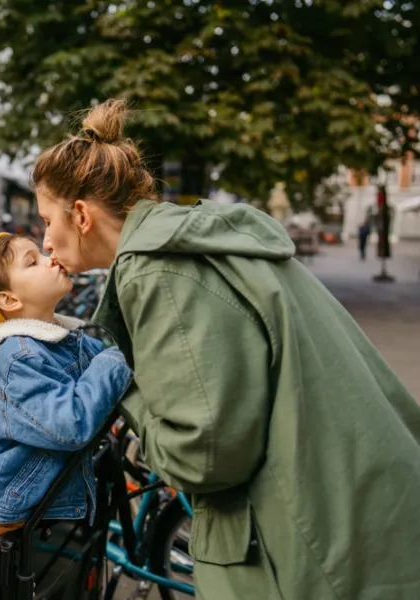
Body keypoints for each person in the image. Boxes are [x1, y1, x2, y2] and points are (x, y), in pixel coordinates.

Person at [32, 99, 420, 598]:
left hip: (314, 549)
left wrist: (122, 390)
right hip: (362, 511)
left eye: (46, 220)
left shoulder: (156, 273)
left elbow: (205, 455)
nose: (44, 240)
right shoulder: (197, 241)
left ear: (81, 215)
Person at [0, 233, 131, 538]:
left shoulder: (65, 339)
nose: (52, 258)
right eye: (33, 262)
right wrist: (119, 355)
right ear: (9, 300)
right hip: (7, 518)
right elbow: (71, 425)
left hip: (39, 507)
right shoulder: (18, 357)